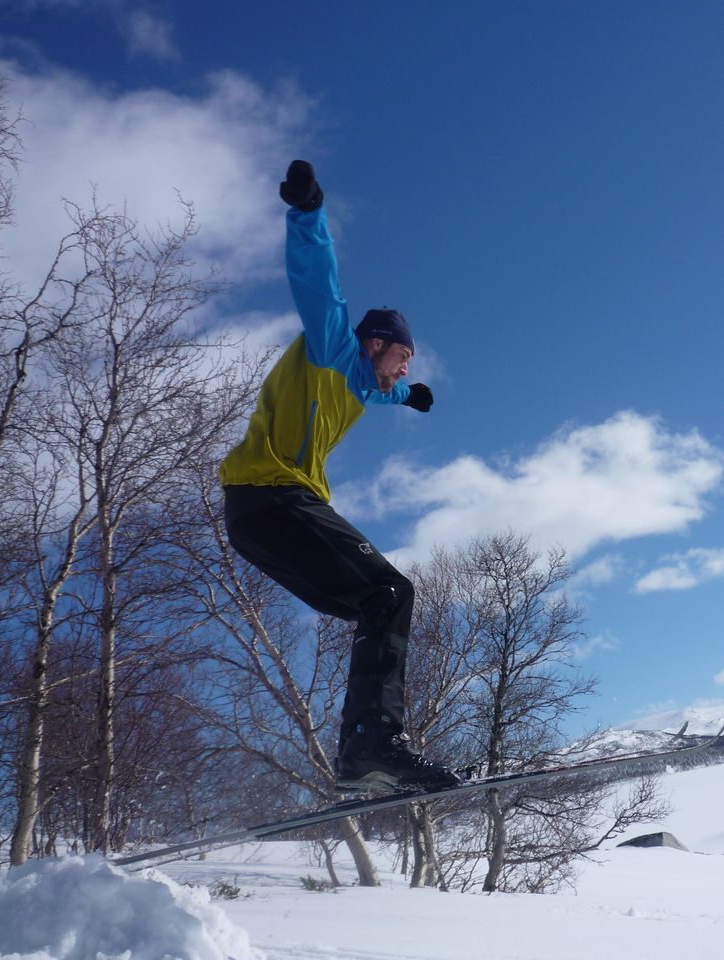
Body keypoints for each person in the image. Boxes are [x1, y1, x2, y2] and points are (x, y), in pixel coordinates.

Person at [219, 160, 460, 792]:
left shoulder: (363, 385)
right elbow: (317, 282)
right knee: (390, 594)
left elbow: (379, 393)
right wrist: (308, 213)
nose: (404, 365)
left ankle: (363, 747)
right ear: (376, 342)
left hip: (260, 516)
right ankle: (371, 746)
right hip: (271, 495)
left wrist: (406, 396)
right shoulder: (333, 347)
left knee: (374, 606)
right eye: (402, 355)